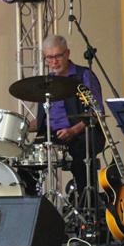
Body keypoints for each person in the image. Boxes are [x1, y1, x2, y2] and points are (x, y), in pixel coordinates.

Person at [31, 35, 105, 199]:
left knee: (80, 160)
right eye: (49, 58)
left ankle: (88, 205)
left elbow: (97, 112)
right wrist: (19, 127)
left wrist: (73, 130)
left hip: (81, 133)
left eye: (58, 56)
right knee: (26, 162)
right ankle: (30, 206)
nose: (54, 62)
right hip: (52, 135)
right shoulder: (46, 82)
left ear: (67, 53)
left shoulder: (83, 75)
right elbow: (41, 121)